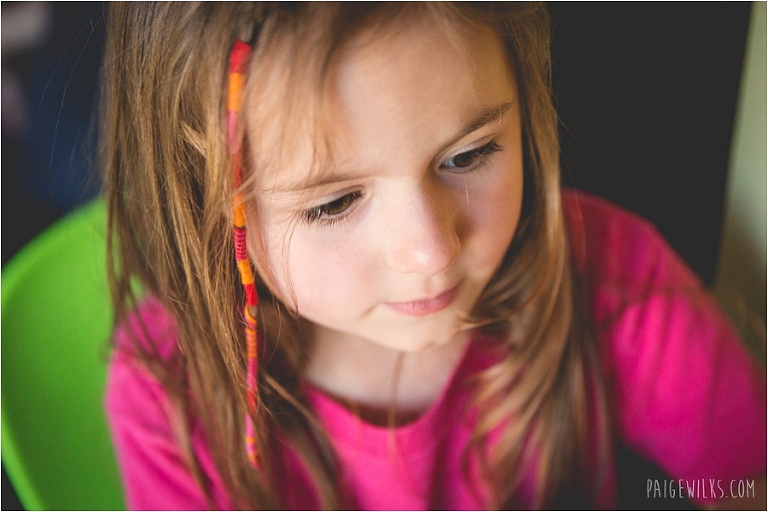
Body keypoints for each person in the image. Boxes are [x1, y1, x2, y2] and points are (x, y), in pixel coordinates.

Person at [101, 3, 766, 509]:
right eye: (332, 204)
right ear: (208, 203)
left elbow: (746, 481)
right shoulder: (171, 397)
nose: (430, 251)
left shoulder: (612, 273)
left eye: (468, 155)